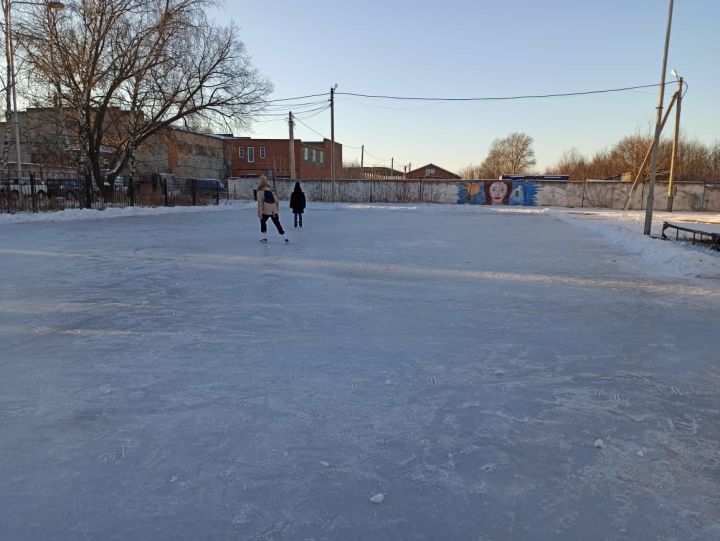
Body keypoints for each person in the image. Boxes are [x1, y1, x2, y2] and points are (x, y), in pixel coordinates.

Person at [256, 176, 288, 243]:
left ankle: (264, 238)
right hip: (273, 210)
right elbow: (276, 201)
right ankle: (285, 238)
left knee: (263, 222)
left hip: (265, 211)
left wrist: (260, 212)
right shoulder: (270, 190)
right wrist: (277, 208)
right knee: (277, 223)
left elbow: (260, 203)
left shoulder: (260, 191)